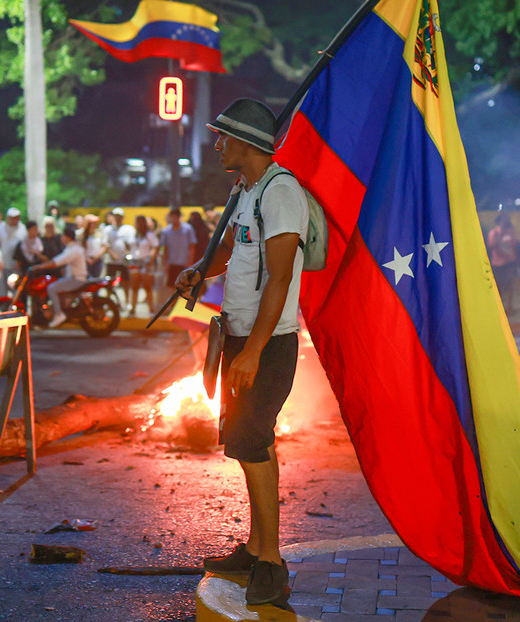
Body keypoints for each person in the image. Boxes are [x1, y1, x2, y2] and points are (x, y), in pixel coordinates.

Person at [177, 99, 307, 605]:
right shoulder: (244, 191)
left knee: (252, 443)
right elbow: (231, 251)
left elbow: (280, 278)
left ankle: (271, 563)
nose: (216, 145)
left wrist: (252, 353)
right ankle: (254, 548)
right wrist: (200, 271)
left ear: (247, 144)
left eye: (223, 137)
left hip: (268, 344)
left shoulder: (282, 192)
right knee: (246, 441)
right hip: (238, 337)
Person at [33, 223, 87, 328]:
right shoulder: (71, 248)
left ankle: (59, 314)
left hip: (76, 279)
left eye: (63, 236)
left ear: (67, 237)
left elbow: (58, 261)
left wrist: (40, 267)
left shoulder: (73, 250)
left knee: (51, 288)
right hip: (72, 277)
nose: (61, 238)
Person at [159, 208, 196, 301]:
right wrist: (165, 263)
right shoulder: (166, 231)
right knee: (172, 286)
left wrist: (190, 263)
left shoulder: (188, 229)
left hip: (184, 263)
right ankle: (172, 306)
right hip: (172, 263)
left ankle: (182, 308)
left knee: (185, 287)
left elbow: (192, 246)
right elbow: (165, 248)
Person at [487, 212, 519, 313]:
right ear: (499, 221)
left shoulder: (510, 232)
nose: (506, 221)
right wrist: (500, 235)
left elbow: (514, 244)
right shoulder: (494, 232)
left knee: (509, 284)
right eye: (504, 220)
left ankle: (510, 307)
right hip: (498, 263)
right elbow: (491, 245)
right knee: (499, 286)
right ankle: (500, 308)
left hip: (509, 262)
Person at [129, 215, 159, 316]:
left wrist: (151, 259)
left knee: (147, 286)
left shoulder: (149, 235)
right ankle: (133, 308)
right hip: (135, 261)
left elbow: (156, 247)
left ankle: (151, 308)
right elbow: (129, 246)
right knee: (134, 286)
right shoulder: (133, 234)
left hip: (146, 262)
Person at [0, 207, 27, 282]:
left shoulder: (23, 229)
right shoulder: (0, 227)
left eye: (16, 218)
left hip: (15, 264)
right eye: (11, 218)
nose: (14, 220)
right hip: (2, 263)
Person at [81, 214, 105, 278]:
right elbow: (81, 248)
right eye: (92, 223)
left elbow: (104, 246)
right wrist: (87, 258)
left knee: (96, 279)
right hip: (86, 260)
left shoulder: (99, 233)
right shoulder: (81, 235)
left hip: (97, 260)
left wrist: (96, 256)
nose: (94, 224)